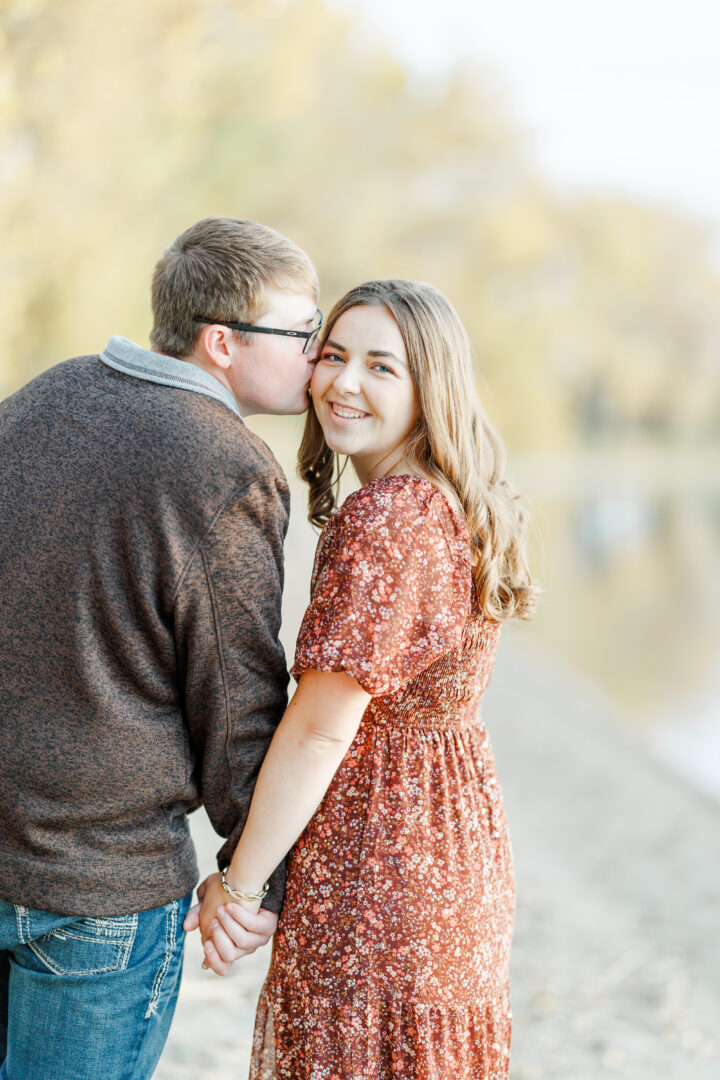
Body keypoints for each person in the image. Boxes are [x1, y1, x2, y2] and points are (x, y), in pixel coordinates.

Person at [189, 279, 537, 1078]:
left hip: (382, 862)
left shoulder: (390, 518)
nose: (345, 383)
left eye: (383, 367)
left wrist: (241, 891)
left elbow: (319, 727)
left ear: (429, 388)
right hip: (451, 851)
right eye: (334, 355)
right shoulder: (450, 501)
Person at [0, 217, 322, 1080]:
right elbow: (236, 694)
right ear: (222, 341)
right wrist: (254, 881)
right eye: (301, 332)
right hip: (100, 890)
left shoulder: (34, 399)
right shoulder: (228, 465)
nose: (317, 355)